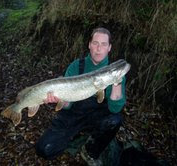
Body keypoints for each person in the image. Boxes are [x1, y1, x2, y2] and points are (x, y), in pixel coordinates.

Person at [35, 27, 126, 166]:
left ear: (109, 48)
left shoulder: (113, 73)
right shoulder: (76, 66)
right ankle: (75, 135)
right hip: (73, 115)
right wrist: (58, 100)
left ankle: (90, 150)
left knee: (115, 119)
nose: (98, 48)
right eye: (95, 43)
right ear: (89, 44)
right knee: (44, 150)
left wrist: (117, 83)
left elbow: (115, 108)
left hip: (96, 117)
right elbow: (67, 105)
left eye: (103, 44)